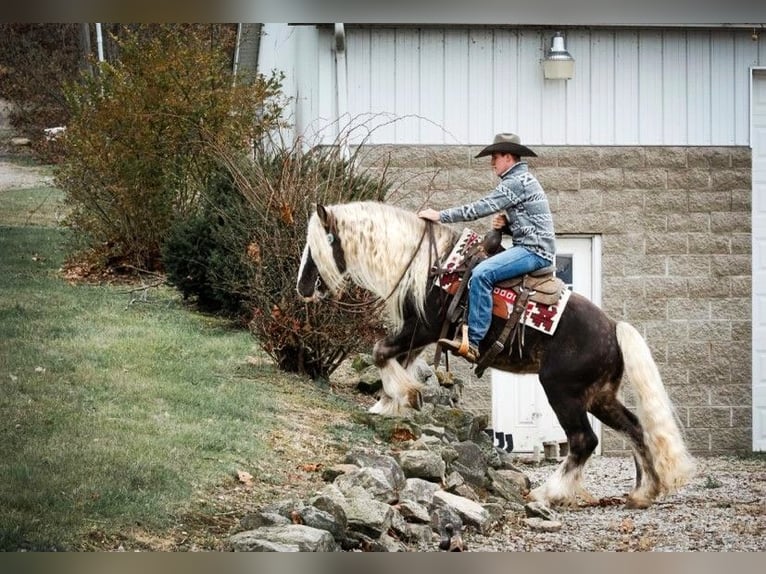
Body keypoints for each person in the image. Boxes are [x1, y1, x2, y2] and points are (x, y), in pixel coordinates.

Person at [418, 133, 555, 363]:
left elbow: (479, 208)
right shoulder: (523, 180)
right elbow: (533, 224)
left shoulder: (516, 182)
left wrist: (439, 215)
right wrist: (509, 226)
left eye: (495, 157)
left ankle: (473, 343)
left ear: (509, 157)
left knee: (482, 274)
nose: (492, 162)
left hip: (534, 251)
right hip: (533, 245)